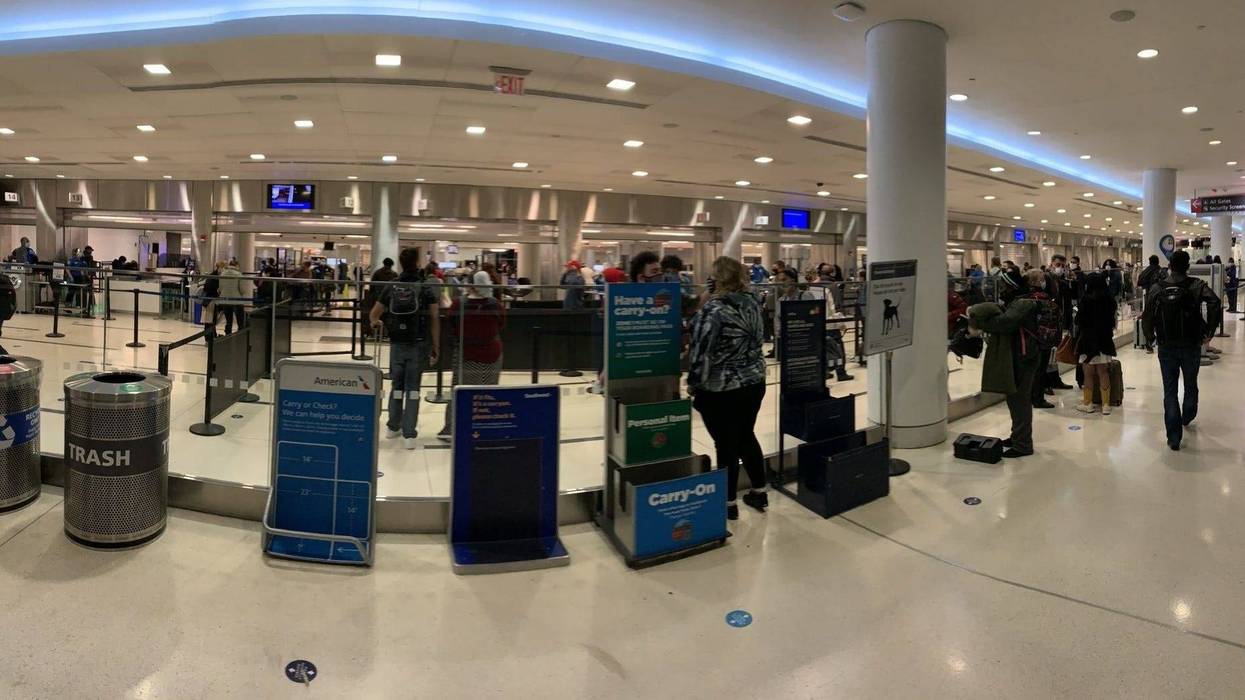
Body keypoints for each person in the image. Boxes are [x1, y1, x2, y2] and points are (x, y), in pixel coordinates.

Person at [687, 256, 768, 520]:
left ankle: (728, 503)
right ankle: (759, 490)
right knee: (746, 435)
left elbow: (701, 350)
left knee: (726, 444)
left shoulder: (714, 310)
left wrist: (694, 383)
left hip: (722, 388)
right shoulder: (753, 302)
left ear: (717, 279)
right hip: (754, 382)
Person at [1142, 250, 1222, 451]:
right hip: (1191, 344)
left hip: (1166, 345)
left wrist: (1150, 338)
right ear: (1188, 267)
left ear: (1169, 266)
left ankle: (1174, 437)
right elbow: (1215, 302)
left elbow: (1147, 314)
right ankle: (1188, 415)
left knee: (1169, 390)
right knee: (1190, 382)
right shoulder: (1196, 285)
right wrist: (1210, 330)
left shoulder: (1157, 287)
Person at [370, 247, 441, 450]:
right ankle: (410, 434)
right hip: (418, 343)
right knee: (413, 390)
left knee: (397, 386)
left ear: (400, 263)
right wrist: (436, 345)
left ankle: (393, 427)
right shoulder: (426, 287)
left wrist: (379, 324)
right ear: (418, 264)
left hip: (397, 343)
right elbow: (435, 317)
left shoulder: (392, 286)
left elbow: (374, 315)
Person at [968, 269, 1041, 458]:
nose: (1002, 290)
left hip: (1025, 357)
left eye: (1005, 286)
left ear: (1013, 286)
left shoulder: (1023, 303)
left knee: (1020, 400)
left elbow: (1004, 323)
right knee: (1014, 398)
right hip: (1021, 355)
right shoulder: (1019, 301)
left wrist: (980, 323)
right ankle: (1018, 436)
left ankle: (1023, 444)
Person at [438, 271, 506, 441]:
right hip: (492, 354)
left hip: (466, 355)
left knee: (459, 393)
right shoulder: (495, 304)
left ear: (471, 285)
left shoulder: (458, 304)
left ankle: (451, 430)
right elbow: (501, 325)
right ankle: (485, 427)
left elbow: (452, 326)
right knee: (488, 392)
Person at [1073, 273, 1118, 415]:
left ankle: (1088, 403)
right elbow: (1113, 321)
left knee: (1088, 373)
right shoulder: (1110, 300)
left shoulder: (1086, 300)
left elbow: (1078, 321)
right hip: (1105, 340)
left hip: (1088, 341)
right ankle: (1105, 405)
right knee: (1103, 372)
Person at [1136, 255, 1166, 353]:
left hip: (1150, 299)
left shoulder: (1147, 271)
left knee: (1148, 322)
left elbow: (1139, 282)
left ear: (1149, 262)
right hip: (1162, 300)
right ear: (1158, 261)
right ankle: (1162, 342)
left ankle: (1150, 345)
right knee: (1161, 321)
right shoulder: (1162, 271)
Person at [214, 260, 253, 335]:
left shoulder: (222, 274)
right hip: (237, 301)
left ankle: (228, 335)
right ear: (237, 265)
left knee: (228, 321)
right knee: (240, 321)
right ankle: (240, 335)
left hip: (225, 300)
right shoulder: (239, 275)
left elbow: (220, 288)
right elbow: (242, 289)